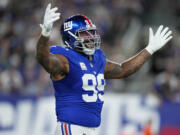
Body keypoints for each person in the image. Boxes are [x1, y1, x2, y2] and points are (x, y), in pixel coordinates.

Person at [36, 3, 173, 135]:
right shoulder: (64, 59)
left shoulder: (96, 59)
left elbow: (123, 70)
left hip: (91, 129)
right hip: (71, 127)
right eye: (84, 34)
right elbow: (44, 59)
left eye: (91, 33)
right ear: (69, 38)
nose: (90, 38)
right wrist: (45, 33)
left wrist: (149, 49)